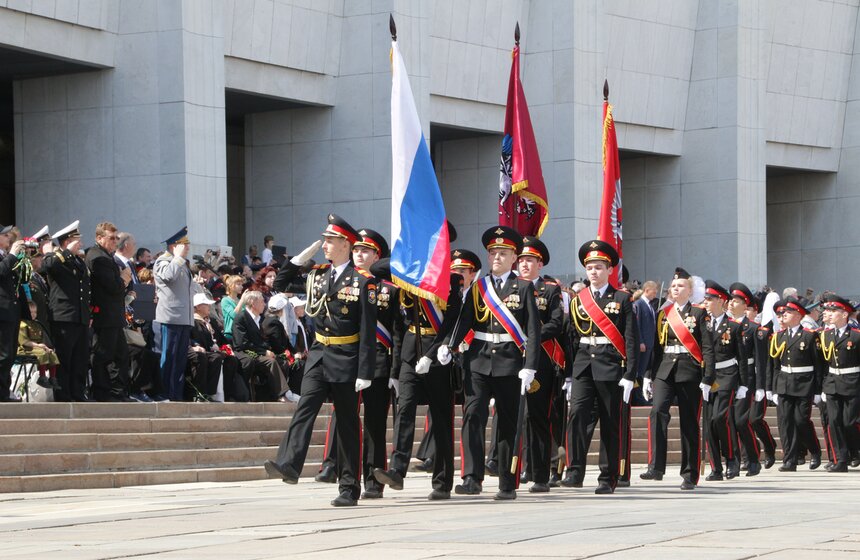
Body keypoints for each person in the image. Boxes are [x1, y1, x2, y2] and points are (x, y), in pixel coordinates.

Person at [264, 214, 377, 507]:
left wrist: (366, 369)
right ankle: (289, 463)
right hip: (319, 354)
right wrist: (299, 259)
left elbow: (367, 330)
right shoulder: (317, 274)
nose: (324, 245)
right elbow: (281, 283)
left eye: (329, 241)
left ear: (345, 244)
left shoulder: (363, 281)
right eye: (324, 240)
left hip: (346, 358)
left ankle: (349, 486)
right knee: (305, 407)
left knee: (347, 424)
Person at [441, 226, 540, 501]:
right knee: (473, 417)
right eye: (493, 252)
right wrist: (449, 346)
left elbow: (533, 330)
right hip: (479, 359)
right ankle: (472, 477)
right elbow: (466, 320)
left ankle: (507, 483)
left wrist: (530, 365)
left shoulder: (523, 287)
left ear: (514, 258)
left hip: (510, 361)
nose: (496, 257)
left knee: (508, 423)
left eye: (503, 253)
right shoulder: (479, 287)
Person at [319, 229, 402, 498]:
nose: (360, 255)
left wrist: (395, 369)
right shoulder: (341, 283)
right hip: (348, 360)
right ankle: (336, 468)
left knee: (375, 423)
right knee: (344, 417)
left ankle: (374, 478)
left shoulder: (389, 291)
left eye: (366, 251)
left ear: (378, 256)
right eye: (356, 250)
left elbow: (397, 333)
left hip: (378, 362)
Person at [563, 240, 637, 494]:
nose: (593, 272)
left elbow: (630, 339)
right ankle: (574, 471)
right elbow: (571, 338)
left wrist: (631, 374)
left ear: (609, 270)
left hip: (610, 365)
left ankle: (608, 477)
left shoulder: (621, 299)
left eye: (598, 267)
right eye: (590, 267)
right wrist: (569, 374)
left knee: (609, 422)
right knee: (577, 416)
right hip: (583, 366)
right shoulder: (578, 301)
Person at [642, 267, 714, 490]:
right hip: (665, 370)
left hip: (690, 371)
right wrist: (647, 375)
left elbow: (708, 348)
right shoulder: (663, 314)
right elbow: (656, 347)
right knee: (657, 411)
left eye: (681, 285)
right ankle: (656, 466)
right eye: (673, 286)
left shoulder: (700, 313)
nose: (675, 289)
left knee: (689, 422)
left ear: (690, 289)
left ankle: (689, 473)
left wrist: (708, 376)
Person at [513, 236, 565, 493]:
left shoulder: (550, 289)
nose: (524, 264)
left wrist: (532, 336)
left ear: (539, 264)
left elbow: (556, 323)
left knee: (539, 417)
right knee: (520, 418)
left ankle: (541, 475)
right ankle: (525, 467)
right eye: (521, 260)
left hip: (541, 359)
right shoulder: (509, 287)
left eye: (529, 260)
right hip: (512, 358)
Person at [768, 297, 823, 471]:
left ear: (799, 315)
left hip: (804, 383)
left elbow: (818, 365)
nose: (784, 315)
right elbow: (775, 366)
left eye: (788, 312)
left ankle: (814, 450)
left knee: (801, 420)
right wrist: (774, 388)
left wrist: (817, 390)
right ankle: (789, 460)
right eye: (783, 312)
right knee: (785, 423)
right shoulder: (778, 336)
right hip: (784, 383)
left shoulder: (809, 335)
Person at [701, 280, 747, 481]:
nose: (706, 302)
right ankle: (716, 467)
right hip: (707, 379)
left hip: (727, 375)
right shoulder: (702, 323)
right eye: (706, 299)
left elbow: (743, 358)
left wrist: (744, 384)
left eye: (710, 299)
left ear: (721, 301)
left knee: (720, 418)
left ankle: (731, 459)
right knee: (709, 423)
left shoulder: (734, 327)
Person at [43, 221, 91, 402]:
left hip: (80, 317)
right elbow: (47, 266)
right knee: (64, 358)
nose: (80, 244)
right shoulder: (57, 258)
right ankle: (63, 395)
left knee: (80, 358)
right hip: (63, 316)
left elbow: (84, 288)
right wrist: (64, 251)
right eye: (76, 240)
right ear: (66, 241)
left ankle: (77, 393)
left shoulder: (78, 261)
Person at [86, 221, 134, 402]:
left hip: (114, 316)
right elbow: (113, 287)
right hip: (104, 316)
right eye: (111, 238)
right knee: (103, 355)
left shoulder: (107, 256)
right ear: (99, 238)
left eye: (117, 238)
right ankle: (102, 392)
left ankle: (117, 391)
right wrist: (123, 279)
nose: (115, 241)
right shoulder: (97, 257)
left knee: (120, 355)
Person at [154, 227, 199, 401]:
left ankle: (176, 395)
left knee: (180, 360)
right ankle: (164, 393)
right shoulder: (163, 261)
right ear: (174, 246)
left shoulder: (180, 262)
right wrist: (178, 257)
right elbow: (168, 276)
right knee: (169, 357)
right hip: (170, 317)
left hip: (184, 318)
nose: (187, 248)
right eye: (184, 245)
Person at [726, 282, 766, 476]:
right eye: (730, 300)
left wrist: (761, 386)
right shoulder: (724, 325)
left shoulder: (753, 329)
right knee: (729, 421)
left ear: (746, 305)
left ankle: (753, 458)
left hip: (748, 378)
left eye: (736, 301)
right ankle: (734, 461)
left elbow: (760, 360)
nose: (731, 304)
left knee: (741, 421)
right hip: (728, 377)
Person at [817, 294, 860, 472]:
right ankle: (840, 460)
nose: (830, 313)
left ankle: (855, 451)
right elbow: (824, 363)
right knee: (834, 421)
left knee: (849, 422)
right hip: (833, 382)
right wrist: (823, 386)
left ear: (844, 314)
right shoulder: (826, 335)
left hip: (852, 382)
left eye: (834, 311)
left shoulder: (856, 336)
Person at [190, 292, 248, 402]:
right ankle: (208, 393)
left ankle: (227, 393)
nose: (209, 307)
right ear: (197, 307)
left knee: (231, 360)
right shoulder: (192, 321)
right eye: (206, 304)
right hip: (202, 351)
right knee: (215, 358)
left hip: (214, 351)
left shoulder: (211, 321)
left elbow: (221, 338)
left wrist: (227, 346)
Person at [0, 223, 28, 401]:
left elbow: (20, 280)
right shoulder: (5, 257)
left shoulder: (6, 256)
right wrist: (11, 256)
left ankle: (4, 391)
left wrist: (21, 259)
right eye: (3, 235)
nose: (7, 237)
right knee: (2, 354)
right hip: (2, 311)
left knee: (9, 354)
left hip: (11, 311)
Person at [17, 300, 60, 390]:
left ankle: (52, 378)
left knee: (52, 353)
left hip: (37, 347)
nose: (33, 314)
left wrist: (46, 347)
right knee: (42, 352)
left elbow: (42, 340)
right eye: (31, 312)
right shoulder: (22, 324)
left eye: (35, 312)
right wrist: (39, 346)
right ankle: (42, 376)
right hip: (26, 348)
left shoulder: (37, 324)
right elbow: (24, 342)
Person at [633, 281, 658, 402]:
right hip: (643, 344)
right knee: (638, 371)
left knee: (642, 371)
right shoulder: (639, 304)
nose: (656, 293)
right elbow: (636, 325)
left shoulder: (649, 305)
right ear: (647, 290)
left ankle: (639, 395)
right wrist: (640, 342)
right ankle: (637, 397)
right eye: (654, 291)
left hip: (649, 344)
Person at [220, 275, 245, 342]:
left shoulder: (240, 301)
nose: (241, 287)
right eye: (238, 284)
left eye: (241, 284)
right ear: (231, 286)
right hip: (231, 334)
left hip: (241, 333)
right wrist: (242, 300)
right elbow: (234, 315)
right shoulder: (225, 300)